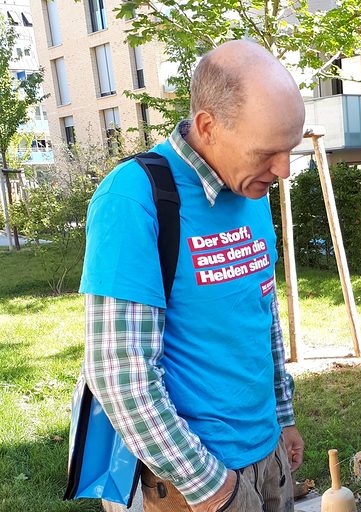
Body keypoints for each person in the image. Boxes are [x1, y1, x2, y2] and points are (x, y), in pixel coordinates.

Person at [79, 40, 306, 512]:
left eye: (290, 150)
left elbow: (261, 312)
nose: (282, 170)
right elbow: (121, 374)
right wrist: (211, 487)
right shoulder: (133, 198)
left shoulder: (251, 189)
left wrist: (282, 418)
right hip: (193, 482)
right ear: (208, 126)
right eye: (268, 152)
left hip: (268, 456)